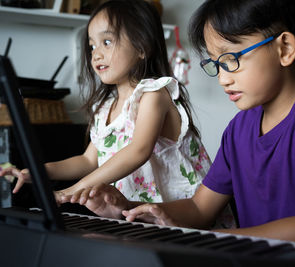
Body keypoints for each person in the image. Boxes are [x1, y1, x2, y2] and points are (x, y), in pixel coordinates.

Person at [68, 0, 295, 257]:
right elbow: (198, 208)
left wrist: (213, 238)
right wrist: (130, 209)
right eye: (216, 64)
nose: (222, 78)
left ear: (285, 48)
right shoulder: (240, 127)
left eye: (231, 59)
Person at [0, 0, 220, 221]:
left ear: (142, 47)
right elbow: (87, 161)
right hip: (140, 217)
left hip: (184, 216)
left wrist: (71, 190)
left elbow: (138, 151)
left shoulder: (154, 94)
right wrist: (37, 173)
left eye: (107, 41)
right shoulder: (105, 108)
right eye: (92, 45)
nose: (96, 54)